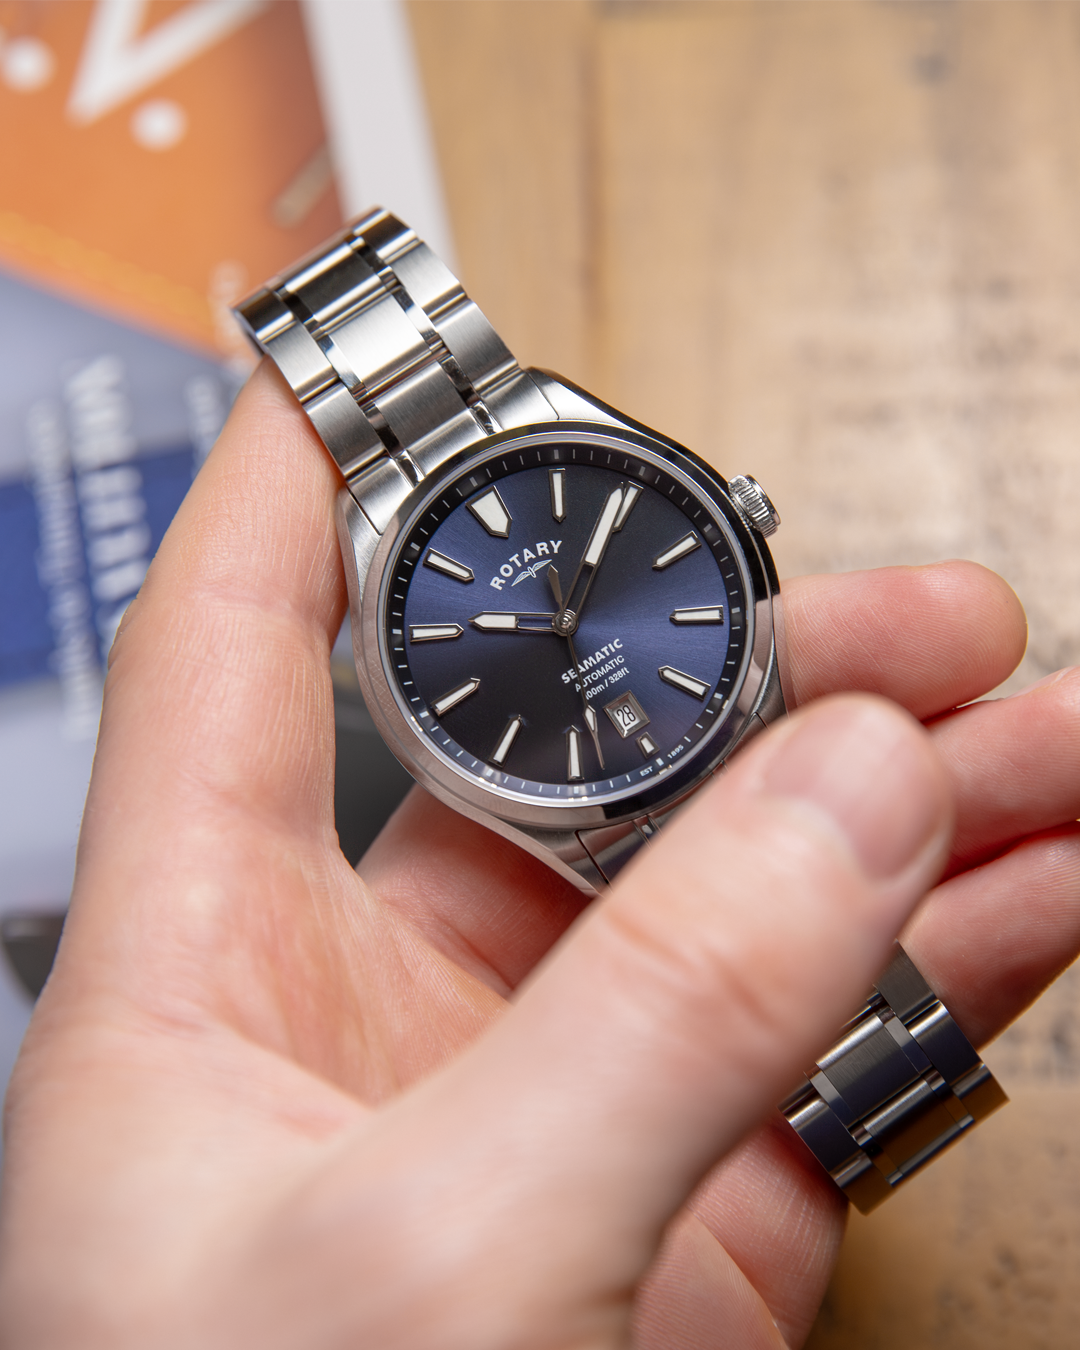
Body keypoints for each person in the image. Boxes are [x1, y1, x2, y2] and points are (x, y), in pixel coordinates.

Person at [0, 361, 1077, 1350]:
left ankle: (898, 1104)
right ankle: (895, 1105)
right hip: (601, 784)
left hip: (684, 710)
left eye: (577, 604)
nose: (566, 623)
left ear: (737, 514)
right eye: (544, 623)